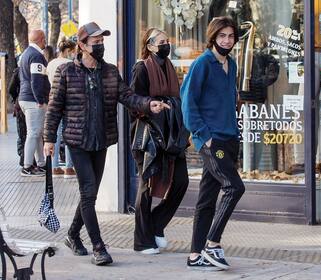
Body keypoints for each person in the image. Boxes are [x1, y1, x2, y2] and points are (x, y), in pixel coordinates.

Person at [43, 22, 166, 266]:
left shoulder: (110, 71)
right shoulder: (66, 73)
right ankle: (99, 246)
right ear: (82, 45)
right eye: (95, 42)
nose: (100, 46)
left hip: (101, 140)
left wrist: (148, 104)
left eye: (102, 42)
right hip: (77, 141)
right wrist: (48, 139)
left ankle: (72, 234)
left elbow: (127, 96)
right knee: (88, 193)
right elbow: (54, 107)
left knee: (90, 193)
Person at [181, 16, 245, 270]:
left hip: (229, 138)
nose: (227, 40)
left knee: (207, 197)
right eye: (222, 36)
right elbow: (187, 102)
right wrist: (203, 135)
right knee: (234, 187)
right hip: (211, 140)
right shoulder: (202, 63)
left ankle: (195, 255)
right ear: (213, 37)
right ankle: (213, 244)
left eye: (230, 36)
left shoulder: (232, 64)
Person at [130, 28, 189, 255]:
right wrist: (152, 105)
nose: (167, 44)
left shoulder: (170, 67)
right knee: (147, 186)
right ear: (151, 45)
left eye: (168, 40)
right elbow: (134, 101)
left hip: (172, 133)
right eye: (162, 41)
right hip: (149, 135)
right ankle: (142, 240)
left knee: (181, 181)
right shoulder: (142, 67)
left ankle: (156, 224)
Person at [18, 30, 50, 176]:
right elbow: (36, 80)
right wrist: (40, 100)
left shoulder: (25, 53)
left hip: (25, 98)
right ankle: (27, 166)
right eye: (45, 39)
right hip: (33, 100)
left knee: (36, 132)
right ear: (42, 39)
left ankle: (41, 164)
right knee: (33, 133)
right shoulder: (37, 56)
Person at [46, 37, 77, 178]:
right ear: (69, 51)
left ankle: (55, 166)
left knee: (56, 135)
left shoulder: (51, 63)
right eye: (74, 51)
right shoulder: (70, 64)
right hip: (69, 102)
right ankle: (69, 167)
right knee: (69, 135)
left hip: (54, 100)